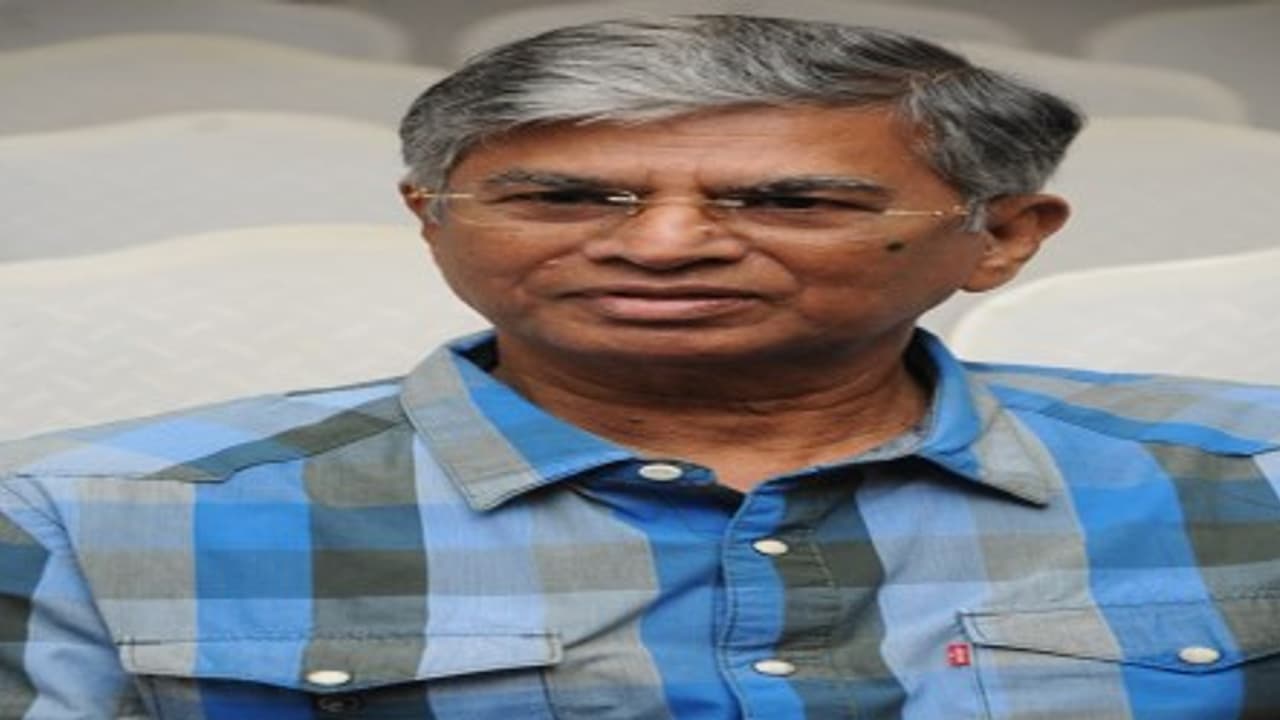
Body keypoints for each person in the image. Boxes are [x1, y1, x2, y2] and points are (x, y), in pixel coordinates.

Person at [2, 14, 1279, 720]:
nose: (663, 246)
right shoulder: (91, 514)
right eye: (562, 196)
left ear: (999, 237)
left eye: (789, 200)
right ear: (432, 220)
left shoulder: (1253, 476)